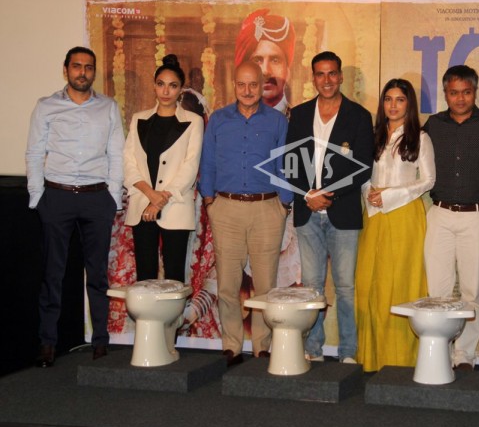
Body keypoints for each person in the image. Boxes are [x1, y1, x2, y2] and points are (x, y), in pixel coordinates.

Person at [26, 46, 125, 366]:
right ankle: (47, 343)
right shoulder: (46, 106)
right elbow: (34, 152)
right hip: (57, 197)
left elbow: (116, 153)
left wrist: (112, 198)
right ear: (66, 69)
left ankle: (100, 341)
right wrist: (37, 197)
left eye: (88, 67)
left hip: (97, 198)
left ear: (94, 72)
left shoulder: (108, 107)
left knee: (97, 275)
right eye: (77, 66)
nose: (82, 72)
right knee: (53, 274)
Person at [199, 61, 292, 366]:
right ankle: (232, 345)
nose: (248, 91)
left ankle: (262, 346)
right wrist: (210, 201)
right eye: (242, 84)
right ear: (234, 85)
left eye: (254, 84)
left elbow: (285, 164)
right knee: (228, 284)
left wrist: (284, 204)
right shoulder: (219, 120)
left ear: (262, 85)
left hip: (268, 209)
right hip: (226, 209)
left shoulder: (277, 121)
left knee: (265, 284)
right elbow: (208, 161)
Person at [285, 51, 374, 363]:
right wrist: (308, 194)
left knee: (346, 287)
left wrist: (328, 194)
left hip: (343, 212)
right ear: (313, 78)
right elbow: (290, 161)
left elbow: (363, 168)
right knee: (312, 286)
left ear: (341, 77)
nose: (327, 80)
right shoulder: (299, 114)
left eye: (332, 73)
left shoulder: (359, 116)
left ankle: (348, 351)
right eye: (320, 74)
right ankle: (313, 348)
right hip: (307, 211)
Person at [422, 65, 479, 371]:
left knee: (471, 291)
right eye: (454, 92)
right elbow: (405, 151)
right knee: (438, 291)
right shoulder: (433, 124)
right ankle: (440, 351)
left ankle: (464, 354)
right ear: (445, 93)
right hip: (440, 215)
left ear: (475, 92)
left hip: (476, 216)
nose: (460, 98)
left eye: (466, 92)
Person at [355, 79, 435, 371]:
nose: (393, 105)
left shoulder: (420, 138)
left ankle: (400, 360)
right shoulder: (373, 135)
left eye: (400, 100)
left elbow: (428, 180)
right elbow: (362, 173)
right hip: (374, 216)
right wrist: (370, 192)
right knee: (369, 283)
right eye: (388, 99)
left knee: (400, 283)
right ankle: (371, 359)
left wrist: (389, 195)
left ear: (409, 104)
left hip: (404, 216)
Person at [123, 54, 204, 282]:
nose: (166, 91)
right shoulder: (139, 119)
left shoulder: (193, 121)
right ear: (154, 86)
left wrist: (160, 200)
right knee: (145, 277)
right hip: (142, 206)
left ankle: (174, 311)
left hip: (175, 205)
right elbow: (128, 162)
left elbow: (190, 166)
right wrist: (150, 196)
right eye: (161, 84)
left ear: (181, 89)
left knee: (175, 278)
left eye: (172, 85)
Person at [235, 8, 296, 115]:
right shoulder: (226, 121)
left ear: (287, 72)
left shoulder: (301, 121)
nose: (265, 71)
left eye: (275, 60)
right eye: (257, 60)